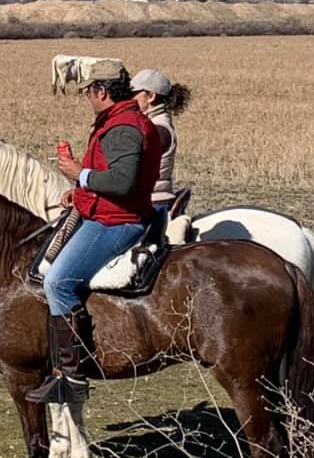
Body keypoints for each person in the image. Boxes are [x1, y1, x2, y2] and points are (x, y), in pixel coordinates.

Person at [26, 60, 161, 405]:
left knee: (58, 281)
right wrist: (82, 193)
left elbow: (123, 180)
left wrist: (80, 174)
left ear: (101, 91)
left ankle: (71, 375)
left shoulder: (123, 127)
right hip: (109, 209)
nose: (87, 96)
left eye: (88, 91)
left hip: (117, 221)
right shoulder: (121, 121)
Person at [130, 69, 192, 218]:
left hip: (152, 203)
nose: (129, 99)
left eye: (133, 94)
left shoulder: (157, 129)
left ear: (151, 96)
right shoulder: (156, 123)